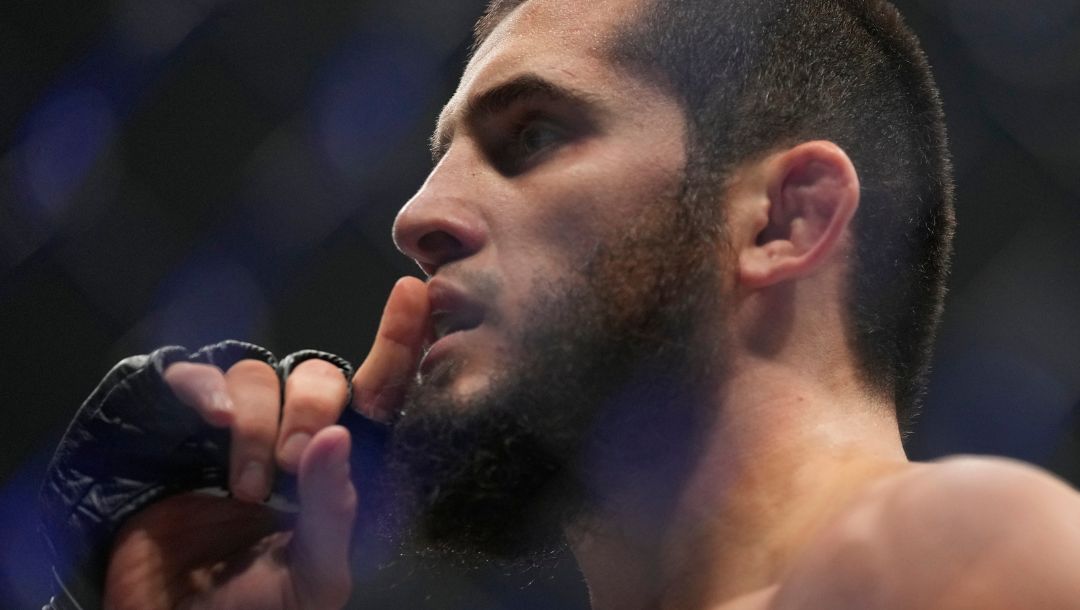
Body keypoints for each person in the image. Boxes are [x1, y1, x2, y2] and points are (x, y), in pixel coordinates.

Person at [39, 0, 1080, 608]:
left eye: (532, 135)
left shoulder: (954, 552)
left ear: (783, 221)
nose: (417, 215)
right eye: (440, 156)